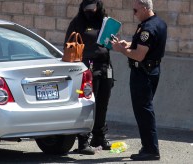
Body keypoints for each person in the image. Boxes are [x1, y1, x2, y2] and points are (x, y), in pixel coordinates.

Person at [111, 0, 167, 161]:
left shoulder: (147, 28)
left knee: (144, 111)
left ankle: (151, 149)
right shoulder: (158, 22)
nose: (133, 13)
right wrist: (128, 44)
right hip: (151, 70)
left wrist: (121, 50)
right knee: (144, 109)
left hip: (143, 73)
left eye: (135, 10)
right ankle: (148, 146)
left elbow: (139, 55)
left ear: (144, 8)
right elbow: (145, 46)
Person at [65, 0, 114, 155]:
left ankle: (99, 136)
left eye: (92, 9)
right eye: (87, 9)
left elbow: (109, 44)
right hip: (87, 68)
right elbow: (69, 44)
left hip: (105, 66)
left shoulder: (105, 22)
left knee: (102, 103)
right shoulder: (77, 23)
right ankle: (83, 140)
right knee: (87, 105)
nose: (89, 12)